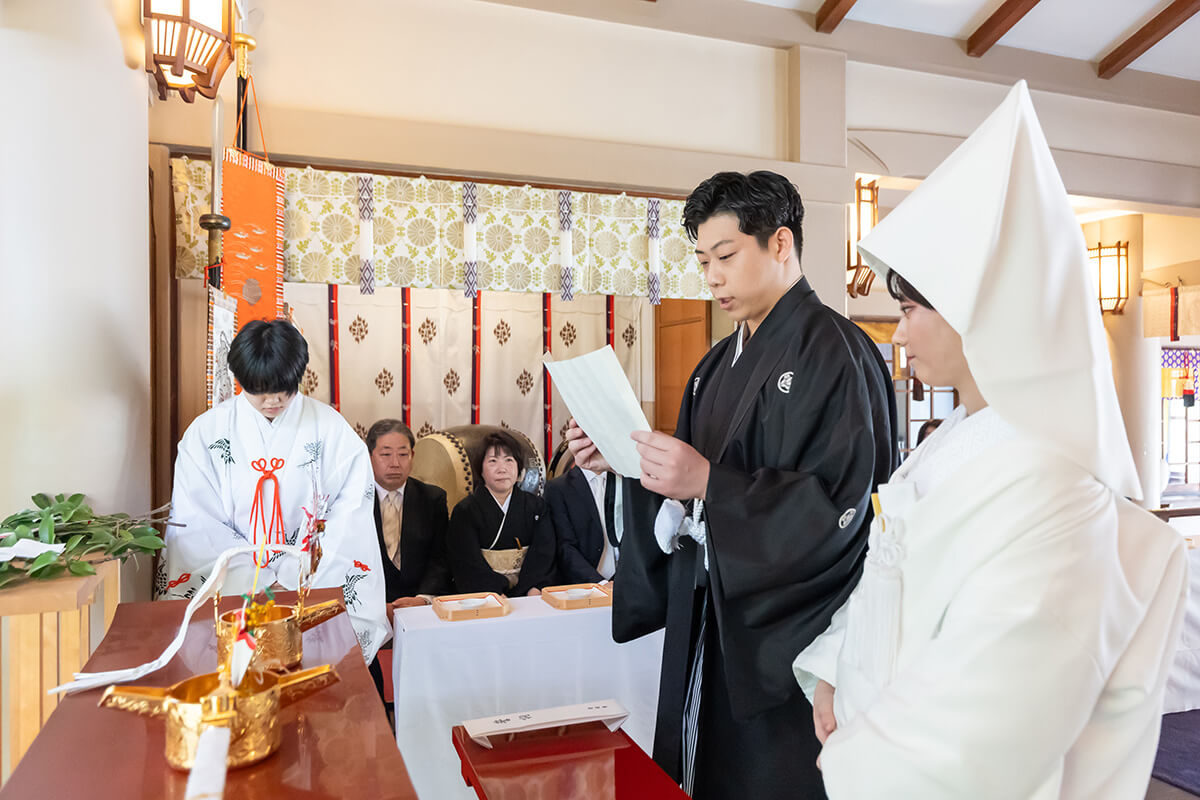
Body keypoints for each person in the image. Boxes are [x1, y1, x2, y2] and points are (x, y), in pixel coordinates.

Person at [793, 81, 1188, 799]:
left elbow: (996, 700)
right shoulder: (953, 443)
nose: (900, 332)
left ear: (985, 317)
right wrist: (833, 668)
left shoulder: (1054, 485)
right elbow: (892, 581)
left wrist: (863, 758)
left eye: (912, 310)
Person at [567, 170, 897, 799]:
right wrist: (629, 467)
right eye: (702, 260)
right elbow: (686, 494)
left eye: (725, 256)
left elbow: (841, 508)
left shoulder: (837, 351)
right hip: (711, 617)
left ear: (780, 244)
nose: (711, 276)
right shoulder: (715, 365)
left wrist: (712, 484)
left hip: (786, 640)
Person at [162, 319, 388, 663]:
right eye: (260, 390)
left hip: (311, 585)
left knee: (316, 685)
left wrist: (296, 574)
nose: (273, 400)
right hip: (236, 591)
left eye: (284, 388)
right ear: (240, 380)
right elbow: (197, 522)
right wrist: (260, 578)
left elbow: (351, 513)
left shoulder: (332, 431)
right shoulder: (206, 434)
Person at [446, 431, 557, 597]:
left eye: (509, 460)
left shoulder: (536, 507)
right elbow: (467, 563)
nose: (502, 468)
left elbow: (544, 554)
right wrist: (494, 592)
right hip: (486, 596)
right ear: (481, 470)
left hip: (529, 593)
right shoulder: (466, 511)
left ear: (519, 468)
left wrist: (533, 588)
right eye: (492, 461)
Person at [366, 419, 453, 610]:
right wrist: (375, 605)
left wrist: (423, 598)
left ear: (412, 456)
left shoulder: (432, 498)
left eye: (403, 454)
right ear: (369, 456)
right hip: (369, 606)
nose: (395, 463)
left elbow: (440, 557)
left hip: (420, 605)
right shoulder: (353, 500)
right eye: (386, 454)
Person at [547, 465, 622, 584]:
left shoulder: (624, 482)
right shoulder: (558, 487)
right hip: (584, 585)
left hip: (625, 582)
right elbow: (565, 546)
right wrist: (600, 583)